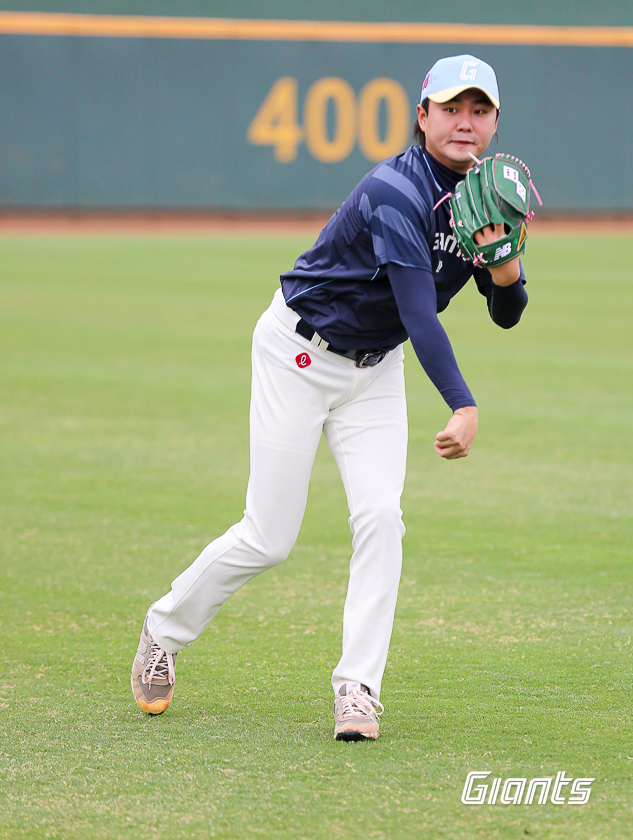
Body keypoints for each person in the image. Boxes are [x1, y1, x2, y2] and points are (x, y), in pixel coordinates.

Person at [131, 53, 529, 741]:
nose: (464, 122)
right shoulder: (394, 191)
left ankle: (357, 691)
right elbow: (418, 313)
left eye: (479, 110)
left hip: (373, 372)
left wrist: (505, 268)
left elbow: (506, 311)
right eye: (450, 108)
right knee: (268, 538)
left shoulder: (489, 192)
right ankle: (162, 630)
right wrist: (461, 402)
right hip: (298, 354)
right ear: (423, 116)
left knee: (381, 518)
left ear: (495, 121)